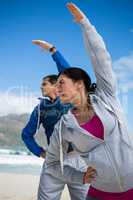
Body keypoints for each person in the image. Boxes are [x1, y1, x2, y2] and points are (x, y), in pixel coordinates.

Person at [46, 3, 133, 200]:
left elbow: (101, 58)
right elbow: (52, 164)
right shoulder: (64, 126)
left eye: (61, 83)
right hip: (97, 194)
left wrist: (84, 24)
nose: (56, 88)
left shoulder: (106, 96)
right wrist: (78, 176)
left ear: (78, 84)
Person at [22, 41, 95, 200]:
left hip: (80, 159)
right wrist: (40, 152)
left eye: (44, 84)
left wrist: (53, 51)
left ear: (57, 85)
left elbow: (69, 73)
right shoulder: (40, 109)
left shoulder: (69, 100)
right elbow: (26, 134)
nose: (41, 87)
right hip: (54, 160)